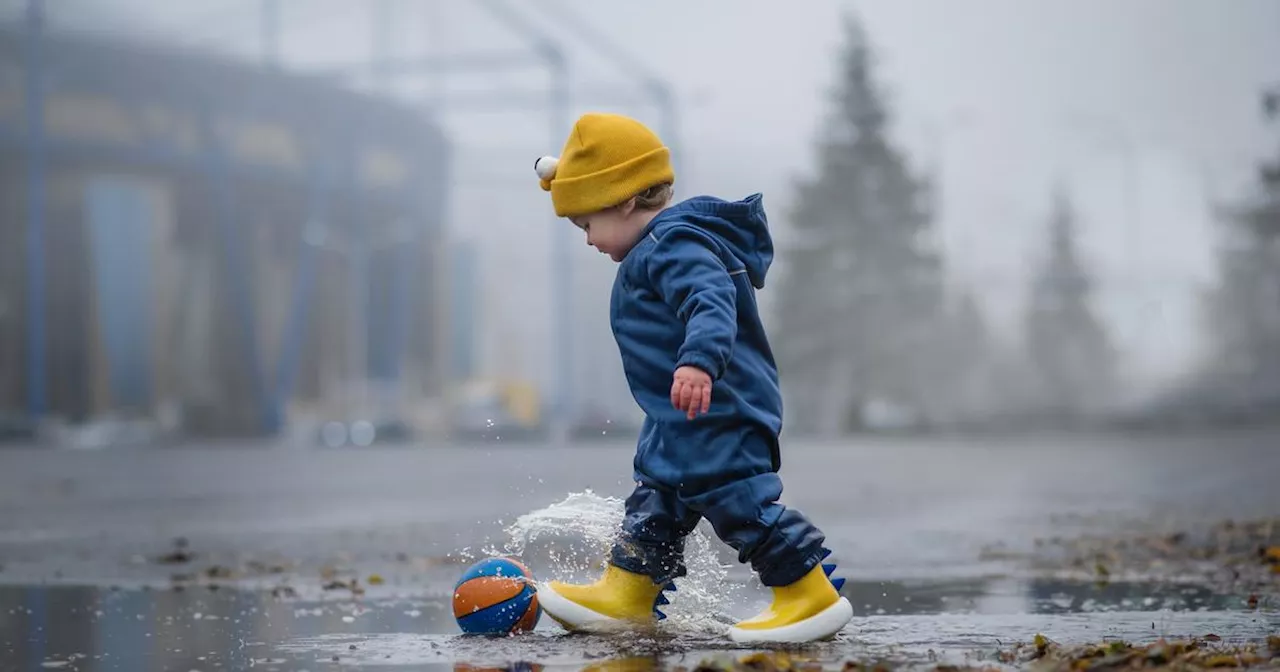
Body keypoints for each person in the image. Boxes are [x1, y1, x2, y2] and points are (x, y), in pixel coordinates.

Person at [530, 112, 852, 643]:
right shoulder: (653, 248)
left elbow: (711, 300)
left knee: (736, 500)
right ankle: (629, 592)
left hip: (719, 407)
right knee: (656, 497)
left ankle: (807, 593)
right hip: (680, 413)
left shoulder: (672, 244)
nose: (587, 240)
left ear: (625, 200)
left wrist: (699, 361)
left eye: (587, 223)